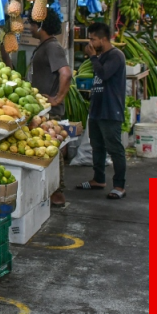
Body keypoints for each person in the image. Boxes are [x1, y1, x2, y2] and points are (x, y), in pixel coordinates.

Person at [26, 12, 72, 208]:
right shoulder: (45, 46)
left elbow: (66, 73)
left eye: (31, 24)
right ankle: (50, 192)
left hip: (50, 111)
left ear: (40, 25)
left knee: (52, 150)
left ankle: (57, 193)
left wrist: (57, 98)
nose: (29, 28)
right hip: (42, 109)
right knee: (47, 148)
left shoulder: (53, 47)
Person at [78, 22, 127, 200]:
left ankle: (119, 186)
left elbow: (104, 74)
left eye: (93, 39)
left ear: (103, 39)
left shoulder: (116, 56)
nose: (90, 43)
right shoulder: (102, 56)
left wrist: (92, 57)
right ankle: (98, 179)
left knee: (114, 148)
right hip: (97, 109)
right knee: (97, 146)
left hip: (110, 110)